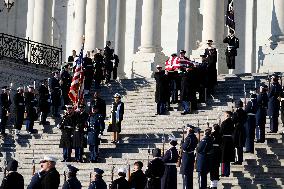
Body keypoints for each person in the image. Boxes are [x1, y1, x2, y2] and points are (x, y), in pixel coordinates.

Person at [180, 124, 198, 189]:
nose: (186, 130)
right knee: (190, 174)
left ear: (190, 130)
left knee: (186, 175)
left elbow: (184, 147)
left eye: (187, 129)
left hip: (187, 156)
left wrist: (182, 143)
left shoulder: (189, 138)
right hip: (191, 155)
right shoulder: (194, 137)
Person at [220, 111, 235, 177]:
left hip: (224, 141)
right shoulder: (232, 122)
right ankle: (227, 172)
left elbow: (221, 132)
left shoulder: (224, 122)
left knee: (223, 157)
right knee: (228, 158)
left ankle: (223, 172)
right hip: (230, 140)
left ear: (227, 115)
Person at [232, 100, 247, 164]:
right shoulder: (244, 112)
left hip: (237, 130)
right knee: (240, 146)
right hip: (242, 129)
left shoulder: (236, 113)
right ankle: (240, 159)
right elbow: (245, 119)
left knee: (237, 146)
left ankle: (238, 160)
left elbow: (233, 121)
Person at [209, 124, 222, 189]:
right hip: (218, 151)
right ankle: (214, 184)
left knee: (213, 169)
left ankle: (213, 185)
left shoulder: (213, 134)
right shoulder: (220, 134)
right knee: (216, 168)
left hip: (213, 151)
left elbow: (210, 141)